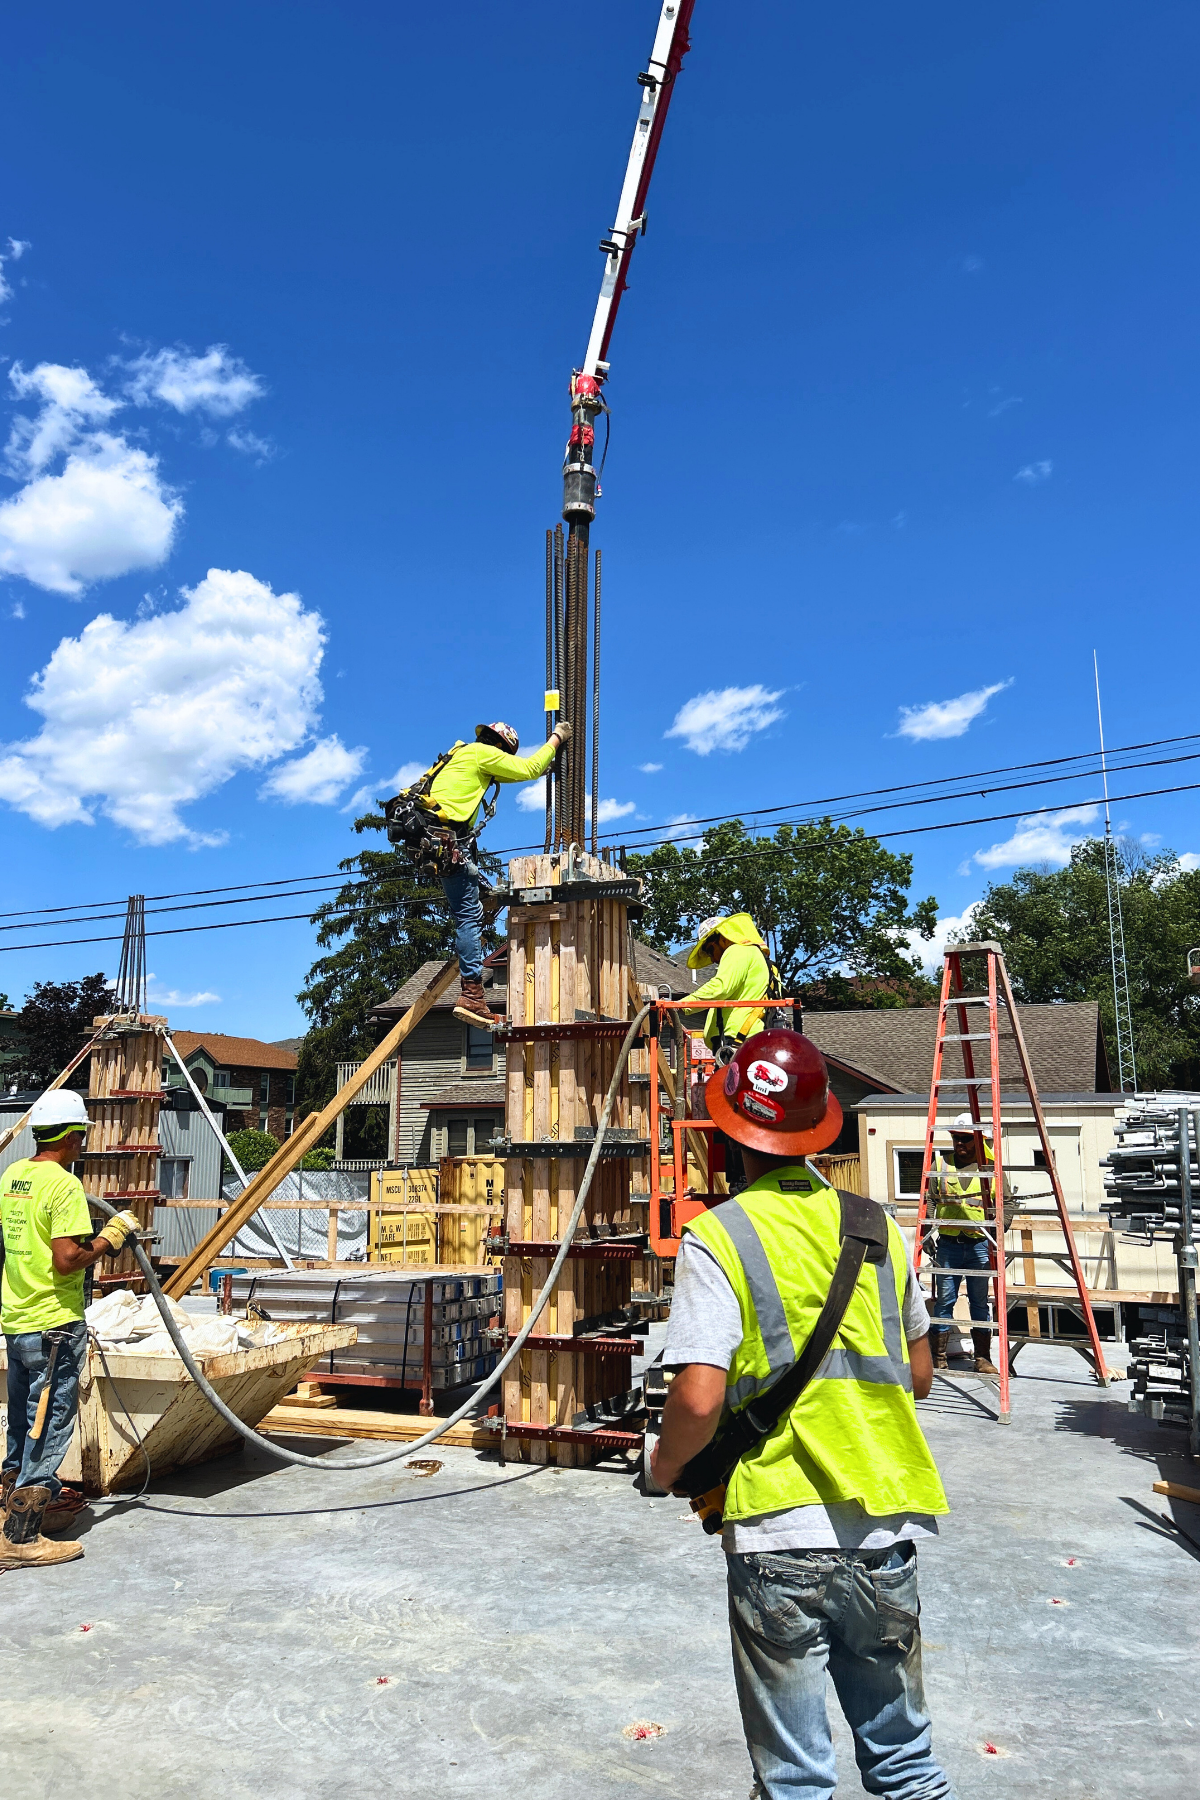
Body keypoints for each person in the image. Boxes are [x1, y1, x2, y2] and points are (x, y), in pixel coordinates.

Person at [650, 1031, 957, 1800]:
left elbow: (696, 1395)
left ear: (728, 1129)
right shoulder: (877, 1227)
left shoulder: (719, 1235)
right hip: (884, 1529)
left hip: (779, 1535)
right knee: (907, 1764)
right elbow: (918, 1374)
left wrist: (662, 1467)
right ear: (820, 1125)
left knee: (795, 1780)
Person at [1, 1090, 140, 1570]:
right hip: (54, 1326)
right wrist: (109, 1238)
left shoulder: (14, 1176)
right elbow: (67, 1261)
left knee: (22, 1423)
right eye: (81, 1133)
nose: (84, 1142)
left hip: (18, 1321)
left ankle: (8, 1512)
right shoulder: (63, 1186)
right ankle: (21, 1537)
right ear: (71, 1135)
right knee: (50, 1426)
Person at [421, 719, 571, 1030]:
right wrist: (557, 738)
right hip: (443, 838)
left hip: (431, 838)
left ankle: (486, 895)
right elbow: (529, 768)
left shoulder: (460, 754)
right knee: (467, 915)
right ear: (501, 746)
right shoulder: (484, 754)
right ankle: (472, 995)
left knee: (471, 880)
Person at [926, 1113, 1012, 1376]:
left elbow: (1006, 1203)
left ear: (980, 1141)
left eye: (965, 1139)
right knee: (945, 1301)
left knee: (979, 1303)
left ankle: (982, 1358)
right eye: (956, 1138)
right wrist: (929, 1232)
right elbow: (930, 1201)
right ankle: (937, 1358)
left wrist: (998, 1232)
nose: (959, 1144)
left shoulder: (991, 1168)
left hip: (978, 1245)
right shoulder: (941, 1165)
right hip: (949, 1244)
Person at [683, 913, 781, 1065]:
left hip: (739, 1039)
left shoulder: (737, 950)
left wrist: (681, 1006)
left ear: (722, 938)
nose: (713, 959)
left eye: (710, 950)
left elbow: (721, 987)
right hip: (747, 1039)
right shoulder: (757, 956)